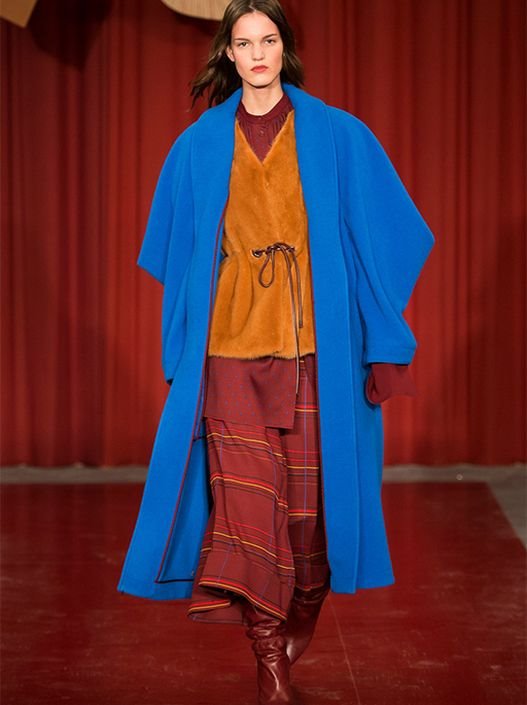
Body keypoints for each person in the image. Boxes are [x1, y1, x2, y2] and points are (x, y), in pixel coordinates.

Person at [117, 2, 435, 703]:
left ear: (284, 48)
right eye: (243, 42)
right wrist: (184, 346)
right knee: (247, 516)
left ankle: (302, 611)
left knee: (310, 519)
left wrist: (378, 334)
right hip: (229, 354)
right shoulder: (198, 145)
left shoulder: (337, 135)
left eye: (268, 39)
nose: (256, 53)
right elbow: (174, 257)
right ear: (227, 54)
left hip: (313, 351)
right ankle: (269, 663)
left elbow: (392, 236)